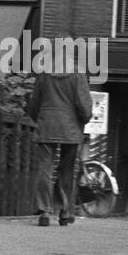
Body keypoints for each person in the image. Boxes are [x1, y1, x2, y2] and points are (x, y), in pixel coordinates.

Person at [26, 59, 93, 226]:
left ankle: (45, 211)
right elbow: (83, 104)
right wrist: (84, 119)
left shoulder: (44, 73)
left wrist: (38, 118)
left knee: (45, 168)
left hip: (47, 124)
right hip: (70, 127)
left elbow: (35, 102)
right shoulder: (78, 74)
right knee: (68, 170)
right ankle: (64, 211)